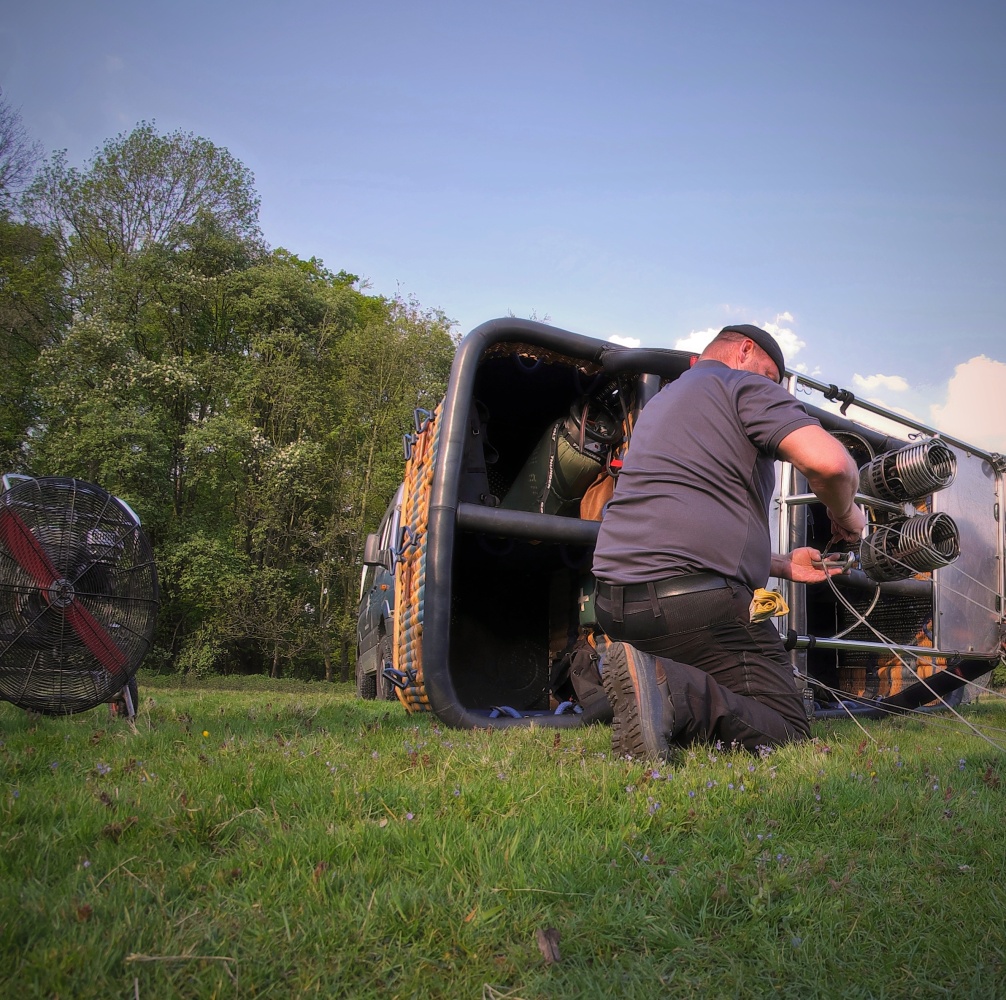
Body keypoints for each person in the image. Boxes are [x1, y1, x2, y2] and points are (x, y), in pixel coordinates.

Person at [591, 324, 865, 757]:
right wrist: (847, 514)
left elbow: (683, 519)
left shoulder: (663, 404)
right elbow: (832, 466)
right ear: (745, 351)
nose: (771, 387)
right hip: (695, 605)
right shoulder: (742, 385)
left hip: (614, 608)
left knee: (716, 673)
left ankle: (596, 678)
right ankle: (671, 692)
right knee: (788, 729)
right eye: (772, 377)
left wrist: (780, 564)